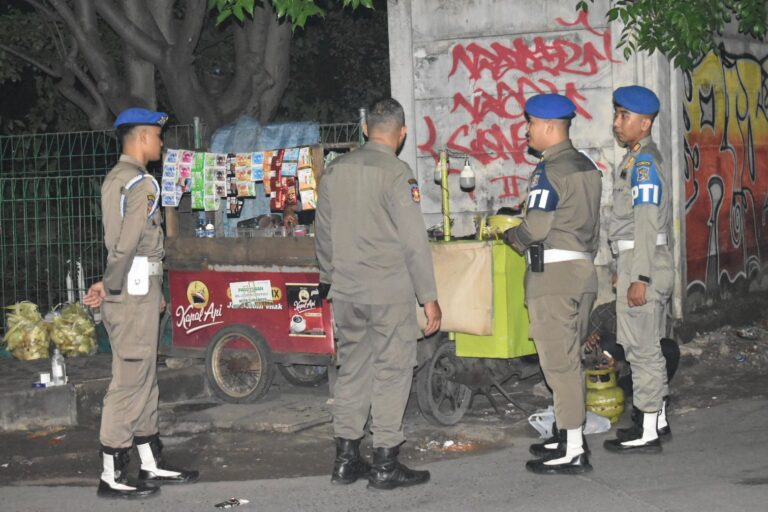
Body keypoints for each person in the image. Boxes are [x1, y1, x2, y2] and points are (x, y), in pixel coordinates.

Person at [314, 97, 441, 490]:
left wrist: (327, 276)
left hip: (347, 292)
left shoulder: (336, 171)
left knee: (352, 370)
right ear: (401, 134)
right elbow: (413, 242)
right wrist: (428, 296)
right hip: (388, 293)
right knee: (391, 371)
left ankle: (346, 460)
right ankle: (385, 462)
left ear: (366, 128)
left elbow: (324, 232)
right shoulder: (397, 174)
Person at [83, 108, 198, 499]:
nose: (161, 144)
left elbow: (123, 248)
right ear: (142, 138)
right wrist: (113, 288)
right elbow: (127, 243)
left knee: (144, 378)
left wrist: (110, 284)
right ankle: (112, 471)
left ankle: (151, 463)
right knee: (130, 380)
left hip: (135, 290)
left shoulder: (120, 179)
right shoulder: (139, 183)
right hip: (131, 295)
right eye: (157, 136)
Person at [503, 93, 602, 475]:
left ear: (548, 127)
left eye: (529, 124)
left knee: (558, 366)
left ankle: (573, 450)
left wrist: (515, 238)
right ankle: (566, 435)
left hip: (554, 277)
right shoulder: (586, 165)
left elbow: (539, 226)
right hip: (582, 272)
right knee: (569, 361)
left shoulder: (551, 169)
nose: (526, 131)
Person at [603, 86, 674, 454]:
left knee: (642, 349)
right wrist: (622, 268)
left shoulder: (643, 163)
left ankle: (646, 429)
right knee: (648, 346)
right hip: (637, 260)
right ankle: (657, 419)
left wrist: (639, 277)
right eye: (616, 114)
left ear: (645, 123)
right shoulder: (635, 158)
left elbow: (646, 223)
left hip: (644, 262)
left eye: (624, 116)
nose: (617, 123)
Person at [584, 300, 680, 402]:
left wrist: (620, 366)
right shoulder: (601, 313)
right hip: (615, 379)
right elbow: (590, 361)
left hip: (637, 374)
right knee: (607, 343)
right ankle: (617, 392)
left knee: (669, 348)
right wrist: (591, 347)